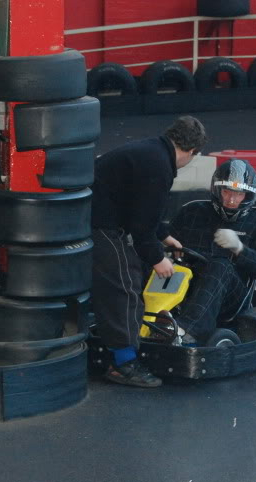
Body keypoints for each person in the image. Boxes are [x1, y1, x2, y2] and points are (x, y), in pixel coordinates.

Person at [91, 116, 207, 387]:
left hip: (93, 215)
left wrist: (164, 236)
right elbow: (141, 227)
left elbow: (142, 208)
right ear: (191, 152)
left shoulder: (151, 151)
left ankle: (123, 345)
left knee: (130, 274)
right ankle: (124, 364)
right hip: (100, 224)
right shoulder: (159, 166)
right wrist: (158, 259)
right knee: (125, 285)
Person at [167, 158, 256, 346]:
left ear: (248, 196)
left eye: (239, 194)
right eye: (227, 192)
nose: (231, 200)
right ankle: (133, 319)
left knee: (220, 264)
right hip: (182, 287)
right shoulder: (192, 212)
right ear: (217, 190)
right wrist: (166, 254)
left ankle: (186, 332)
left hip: (230, 299)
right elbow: (163, 241)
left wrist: (239, 249)